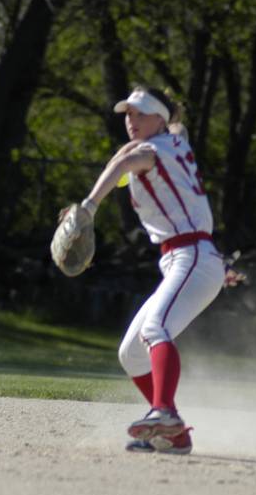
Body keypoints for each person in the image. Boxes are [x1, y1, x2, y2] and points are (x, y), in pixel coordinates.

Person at [77, 86, 225, 455]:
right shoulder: (174, 140)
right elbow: (167, 136)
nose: (131, 121)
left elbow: (126, 164)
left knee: (155, 328)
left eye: (140, 114)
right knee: (131, 353)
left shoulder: (150, 151)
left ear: (160, 118)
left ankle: (164, 412)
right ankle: (174, 434)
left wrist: (88, 207)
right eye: (128, 114)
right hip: (186, 258)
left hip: (192, 255)